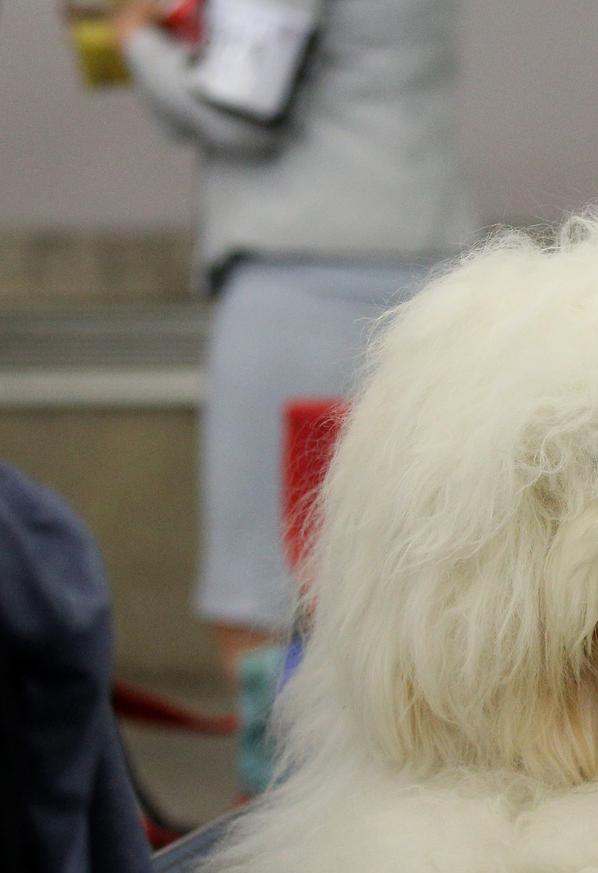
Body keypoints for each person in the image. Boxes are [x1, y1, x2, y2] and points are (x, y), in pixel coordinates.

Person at [111, 0, 479, 697]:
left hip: (302, 280)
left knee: (265, 592)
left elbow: (239, 112)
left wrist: (133, 40)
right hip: (430, 264)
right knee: (422, 583)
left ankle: (285, 795)